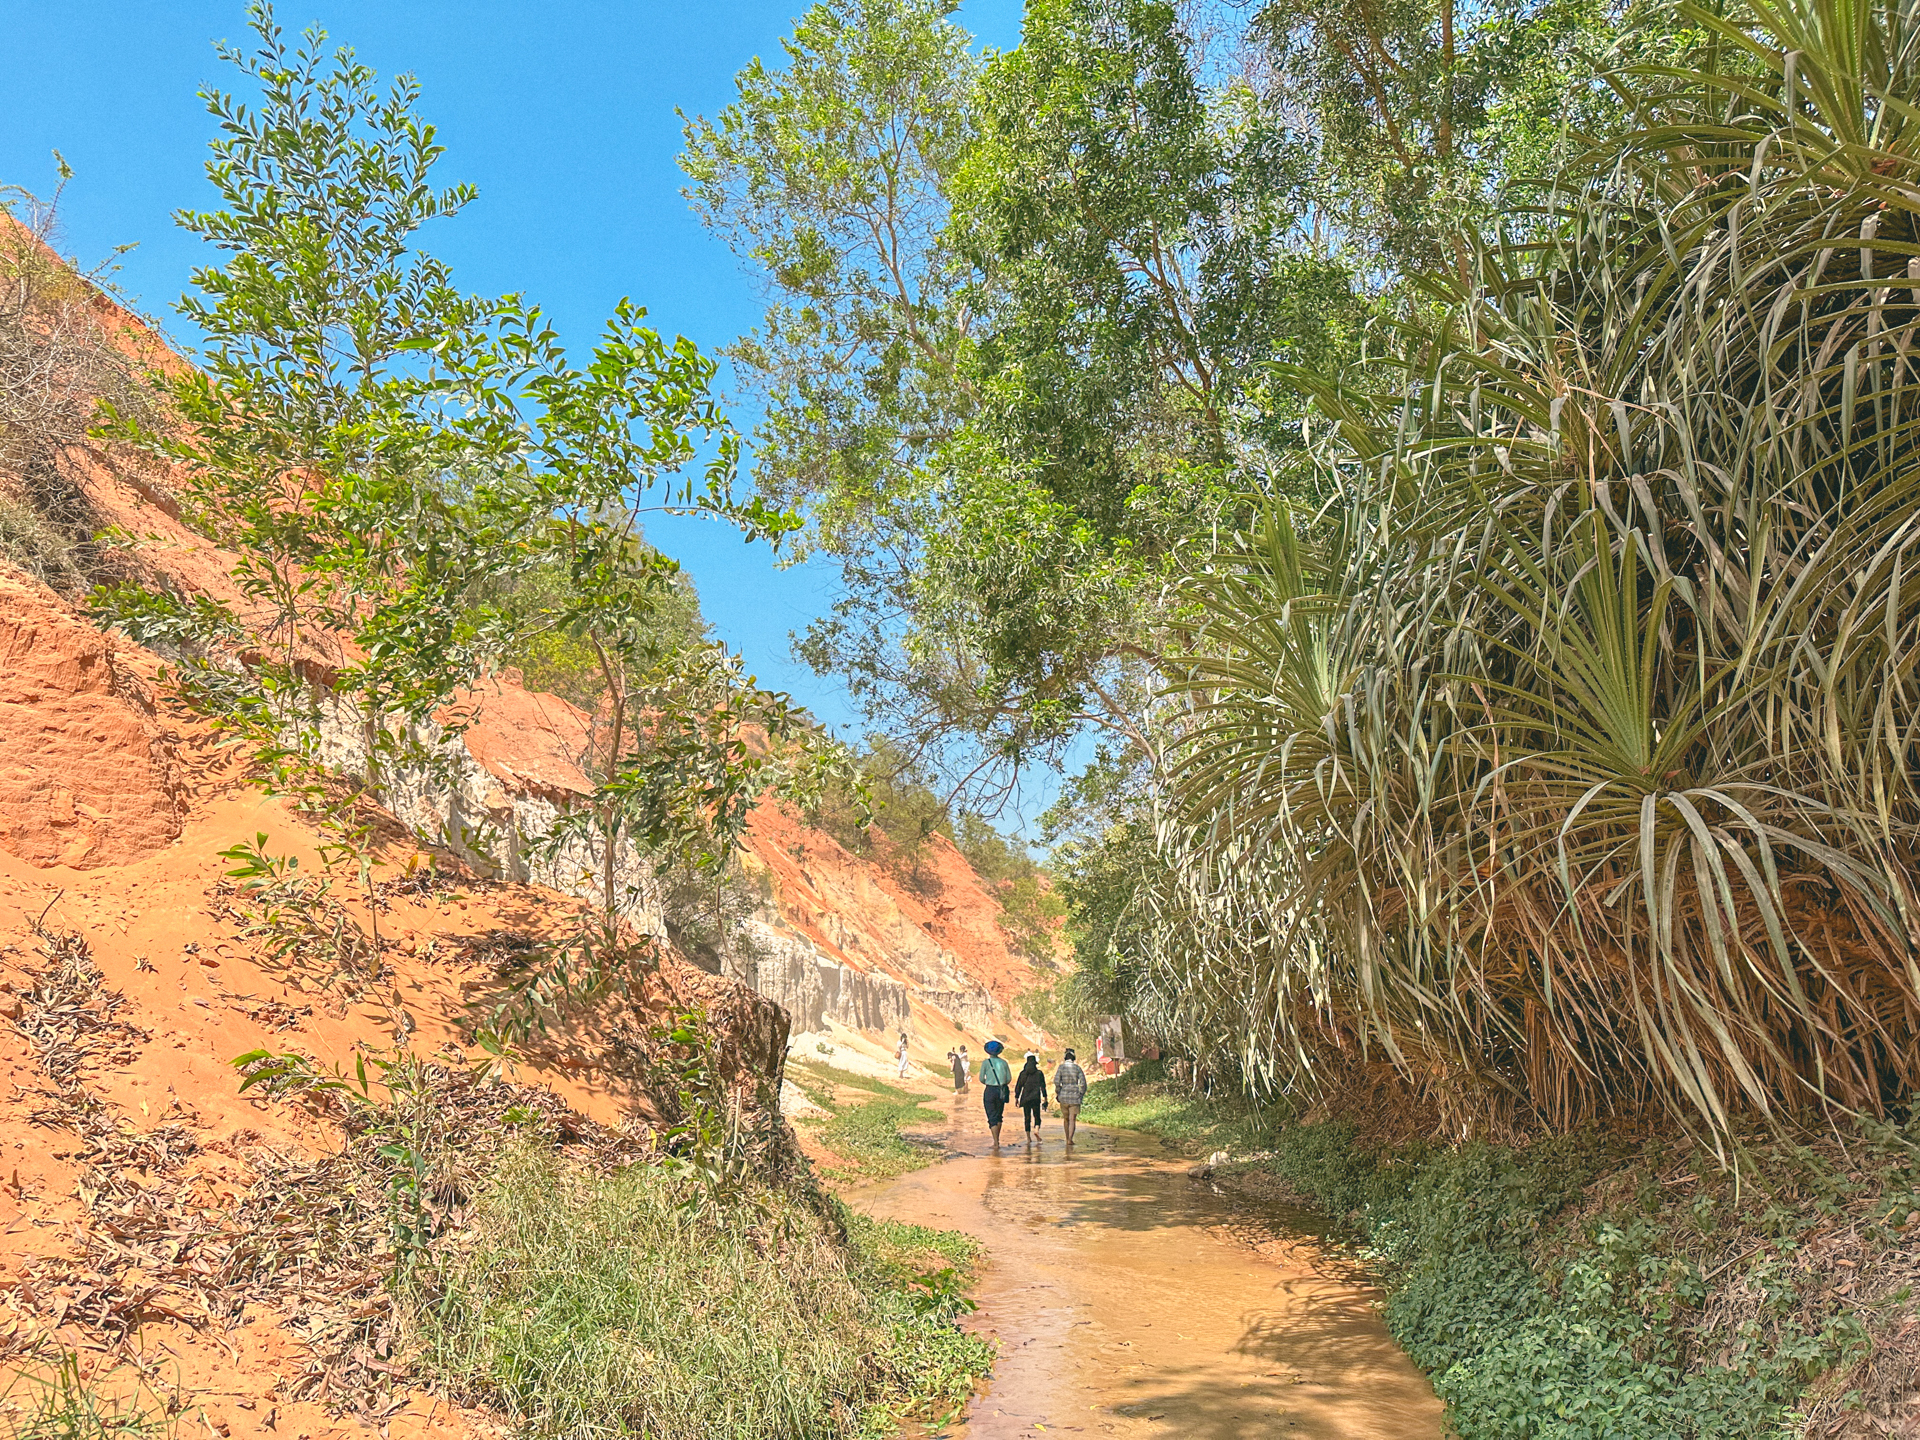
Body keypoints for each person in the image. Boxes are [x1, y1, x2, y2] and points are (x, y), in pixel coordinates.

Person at [978, 1039, 1013, 1147]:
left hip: (990, 1090)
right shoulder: (1004, 1063)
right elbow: (1008, 1079)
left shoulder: (985, 1063)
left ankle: (996, 1142)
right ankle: (997, 1139)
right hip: (1001, 1090)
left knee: (991, 1116)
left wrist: (988, 1082)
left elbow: (981, 1079)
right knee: (999, 1115)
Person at [1053, 1048, 1089, 1146]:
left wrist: (1058, 1092)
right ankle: (1070, 1139)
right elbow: (1083, 1084)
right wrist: (1080, 1094)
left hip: (1063, 1096)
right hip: (1074, 1097)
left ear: (1065, 1057)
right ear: (1074, 1058)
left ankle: (1066, 1138)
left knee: (1066, 1119)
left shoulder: (1061, 1067)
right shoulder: (1077, 1068)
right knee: (1072, 1119)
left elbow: (1056, 1081)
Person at [1013, 1052, 1048, 1143]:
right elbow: (1043, 1087)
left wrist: (1016, 1098)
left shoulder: (1023, 1074)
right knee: (1037, 1116)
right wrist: (1045, 1098)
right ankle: (1036, 1130)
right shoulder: (1039, 1073)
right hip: (1036, 1097)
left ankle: (1028, 1138)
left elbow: (1018, 1086)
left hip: (1025, 1097)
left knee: (1027, 1117)